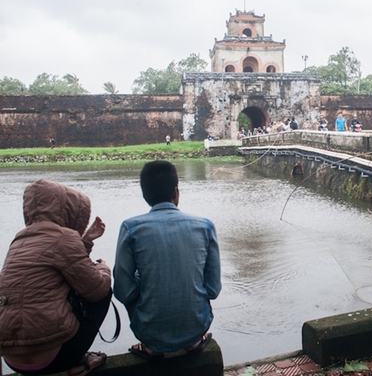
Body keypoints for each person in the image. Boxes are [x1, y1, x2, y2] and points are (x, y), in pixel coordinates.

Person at [0, 180, 112, 376]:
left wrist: (85, 241)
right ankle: (78, 362)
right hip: (54, 359)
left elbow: (57, 262)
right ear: (68, 210)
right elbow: (96, 289)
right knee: (103, 289)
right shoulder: (65, 237)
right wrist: (103, 268)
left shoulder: (19, 240)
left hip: (12, 360)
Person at [114, 160, 221, 360]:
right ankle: (194, 341)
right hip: (198, 325)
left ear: (145, 195)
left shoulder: (131, 228)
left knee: (138, 278)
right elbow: (213, 289)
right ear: (176, 192)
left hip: (147, 330)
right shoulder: (205, 226)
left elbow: (123, 291)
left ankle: (153, 347)